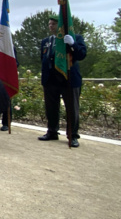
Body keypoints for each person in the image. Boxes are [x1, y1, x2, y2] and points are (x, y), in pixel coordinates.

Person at [39, 14, 87, 147]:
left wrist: (73, 44)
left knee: (72, 108)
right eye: (49, 24)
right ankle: (52, 131)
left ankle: (73, 135)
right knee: (51, 108)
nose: (51, 26)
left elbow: (81, 55)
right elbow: (43, 59)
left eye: (53, 24)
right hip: (51, 80)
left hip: (69, 79)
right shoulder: (46, 41)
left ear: (60, 25)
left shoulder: (75, 38)